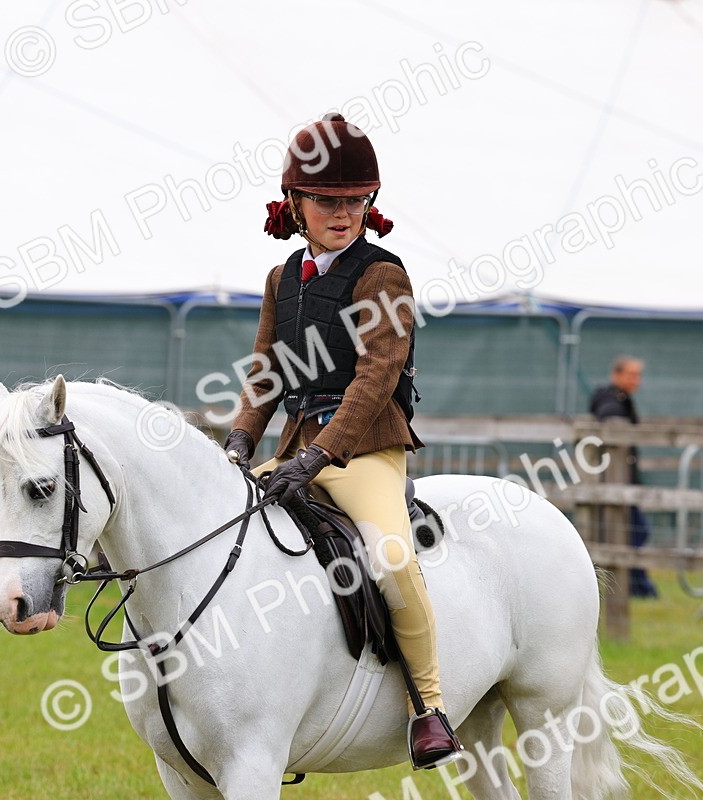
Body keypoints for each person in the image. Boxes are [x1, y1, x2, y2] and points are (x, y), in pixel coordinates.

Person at [223, 113, 461, 768]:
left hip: (362, 450)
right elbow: (266, 372)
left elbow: (376, 378)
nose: (344, 212)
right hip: (298, 448)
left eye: (356, 200)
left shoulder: (382, 275)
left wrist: (319, 454)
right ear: (295, 202)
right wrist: (240, 442)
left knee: (388, 554)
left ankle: (430, 706)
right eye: (329, 200)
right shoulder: (282, 279)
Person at [589, 355, 659, 598]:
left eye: (638, 376)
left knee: (628, 533)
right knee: (633, 531)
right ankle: (637, 587)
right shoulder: (612, 399)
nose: (635, 381)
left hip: (620, 477)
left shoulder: (621, 398)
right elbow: (609, 418)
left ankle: (637, 587)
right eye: (631, 375)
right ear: (616, 375)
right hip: (614, 478)